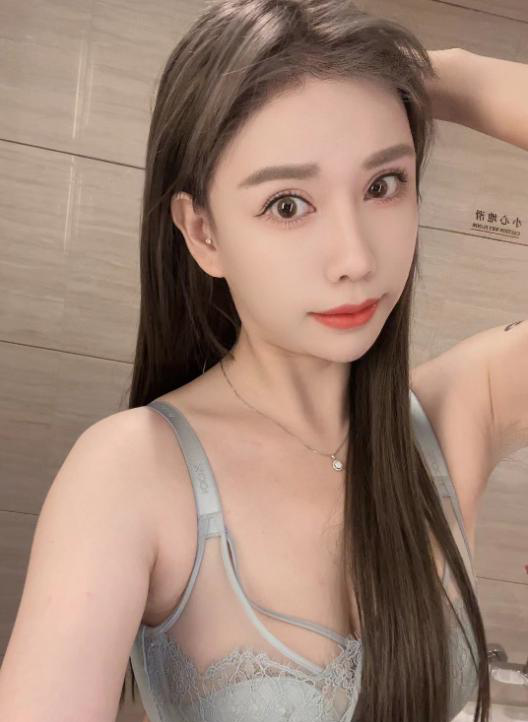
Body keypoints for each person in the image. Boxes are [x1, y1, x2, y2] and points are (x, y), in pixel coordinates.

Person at [1, 1, 527, 721]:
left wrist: (439, 79)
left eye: (382, 185)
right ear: (203, 232)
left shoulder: (459, 413)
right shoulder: (133, 473)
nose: (355, 258)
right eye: (287, 205)